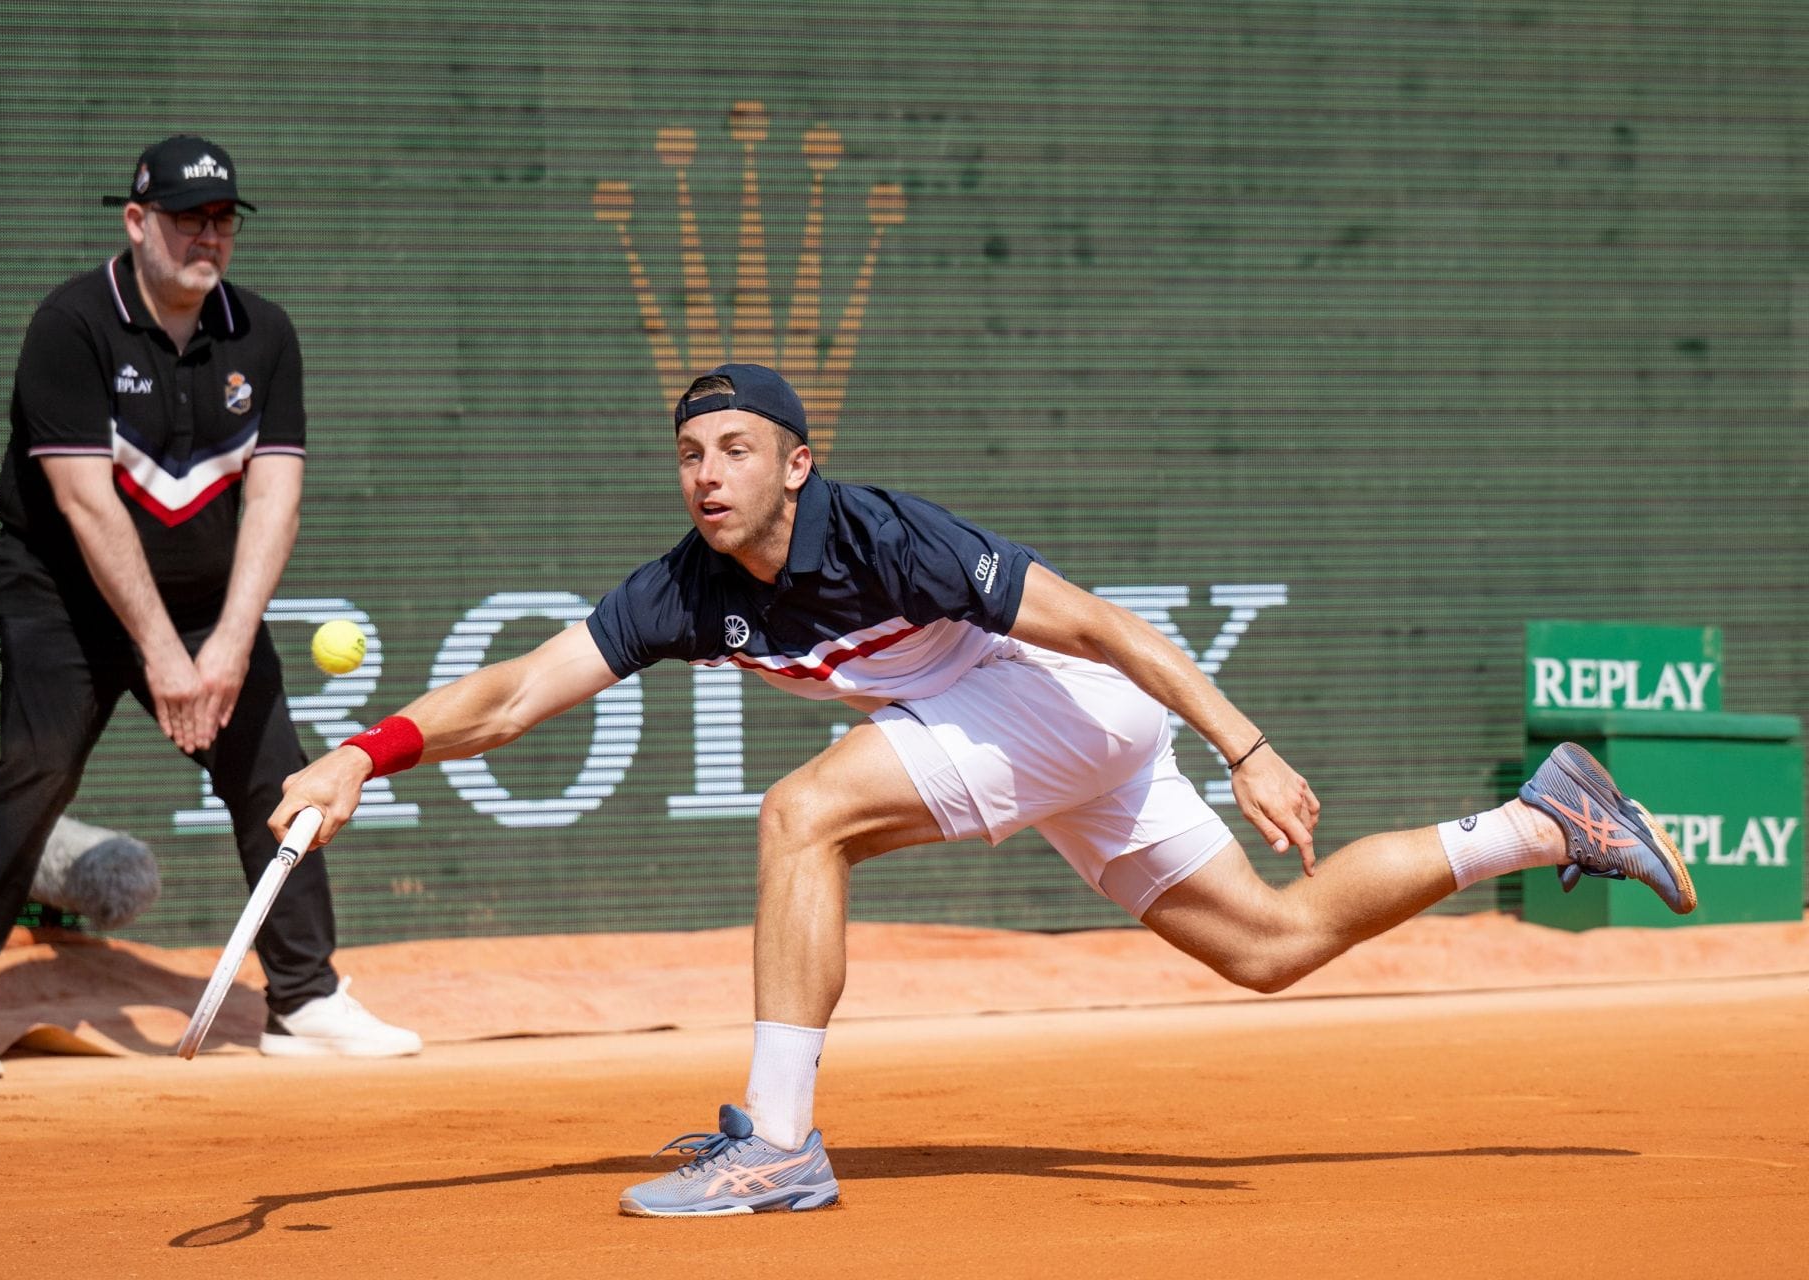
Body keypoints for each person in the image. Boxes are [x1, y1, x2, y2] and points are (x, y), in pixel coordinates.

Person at [270, 362, 1695, 1214]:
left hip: (1060, 700)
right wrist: (360, 755)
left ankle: (773, 1146)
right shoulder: (687, 589)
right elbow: (518, 691)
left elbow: (1111, 630)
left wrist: (1244, 742)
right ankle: (1543, 816)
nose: (707, 474)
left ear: (796, 463)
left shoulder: (886, 537)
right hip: (1031, 730)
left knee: (802, 814)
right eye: (691, 452)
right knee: (1269, 946)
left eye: (737, 450)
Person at [0, 136, 419, 1081]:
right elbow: (83, 501)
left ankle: (303, 999)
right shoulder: (70, 326)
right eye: (188, 218)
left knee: (275, 776)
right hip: (62, 597)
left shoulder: (262, 335)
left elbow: (274, 497)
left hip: (202, 601)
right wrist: (162, 652)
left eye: (223, 220)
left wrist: (226, 644)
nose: (208, 236)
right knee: (37, 770)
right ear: (137, 223)